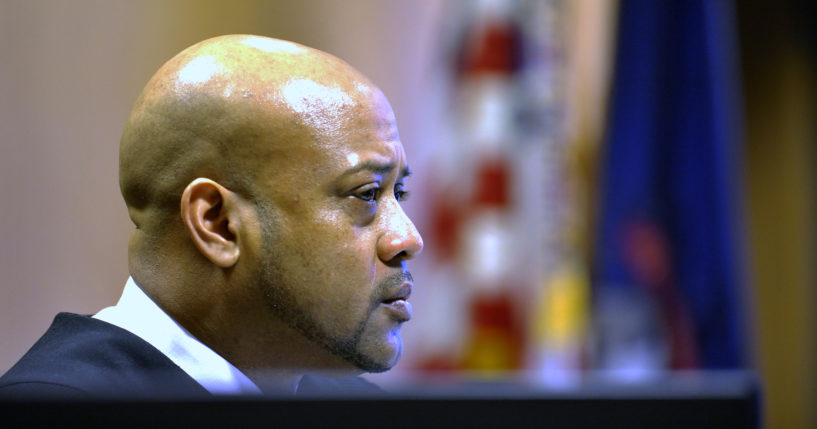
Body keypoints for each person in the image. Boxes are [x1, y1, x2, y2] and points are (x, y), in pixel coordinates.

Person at [0, 34, 423, 397]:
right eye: (366, 194)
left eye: (398, 192)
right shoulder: (55, 411)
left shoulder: (353, 407)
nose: (409, 238)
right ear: (217, 223)